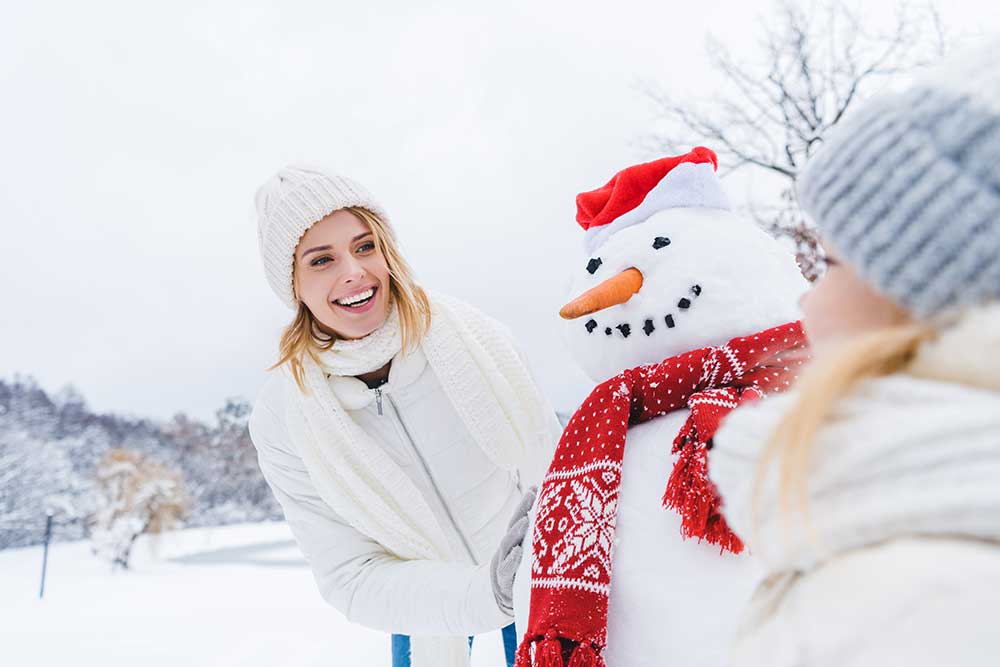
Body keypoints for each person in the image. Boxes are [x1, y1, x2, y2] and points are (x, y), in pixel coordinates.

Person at [709, 38, 1000, 667]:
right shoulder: (897, 526)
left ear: (938, 285)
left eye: (832, 263)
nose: (806, 303)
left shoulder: (922, 597)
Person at [248, 166, 561, 667]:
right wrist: (485, 594)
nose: (353, 271)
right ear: (293, 285)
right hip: (421, 606)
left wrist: (535, 570)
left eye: (365, 246)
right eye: (322, 260)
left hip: (539, 575)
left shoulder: (478, 340)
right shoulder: (285, 416)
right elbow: (349, 573)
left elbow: (555, 468)